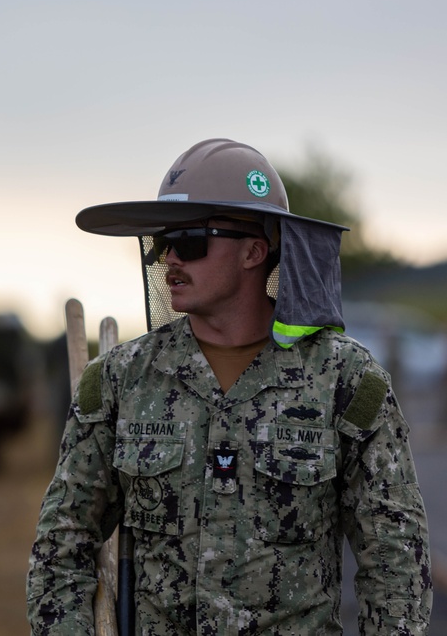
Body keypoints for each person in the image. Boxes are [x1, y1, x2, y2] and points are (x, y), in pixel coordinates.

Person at [27, 138, 432, 635]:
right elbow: (62, 544)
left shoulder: (344, 383)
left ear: (254, 252)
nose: (170, 258)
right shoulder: (119, 380)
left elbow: (395, 562)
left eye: (191, 242)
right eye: (163, 242)